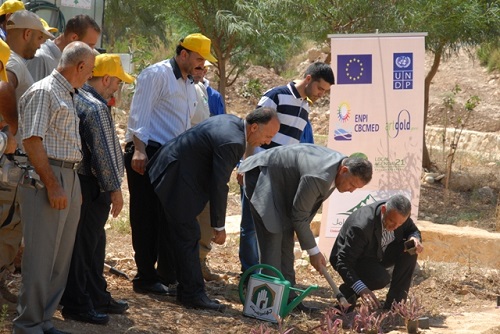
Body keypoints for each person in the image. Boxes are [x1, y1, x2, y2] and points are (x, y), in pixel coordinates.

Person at [147, 107, 280, 312]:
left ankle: (169, 279)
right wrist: (218, 225)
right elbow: (219, 184)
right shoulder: (234, 142)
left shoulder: (232, 122)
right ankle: (192, 294)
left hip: (171, 169)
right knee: (189, 235)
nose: (268, 142)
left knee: (174, 230)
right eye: (268, 135)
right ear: (254, 127)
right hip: (176, 176)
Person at [125, 33, 217, 296]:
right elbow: (138, 115)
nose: (202, 64)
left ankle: (165, 275)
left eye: (204, 60)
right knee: (146, 217)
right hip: (148, 151)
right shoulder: (157, 74)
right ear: (184, 54)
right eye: (199, 58)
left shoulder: (190, 83)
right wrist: (139, 151)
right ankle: (144, 277)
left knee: (169, 217)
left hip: (171, 155)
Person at [13, 41, 95, 334]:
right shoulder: (45, 91)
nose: (90, 77)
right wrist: (54, 184)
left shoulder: (67, 93)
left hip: (67, 177)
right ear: (80, 66)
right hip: (49, 177)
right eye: (90, 70)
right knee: (41, 258)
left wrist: (72, 185)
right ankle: (28, 323)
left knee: (60, 257)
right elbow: (32, 140)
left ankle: (44, 320)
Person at [238, 144, 372, 313]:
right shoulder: (319, 176)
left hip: (283, 185)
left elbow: (299, 216)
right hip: (264, 176)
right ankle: (268, 309)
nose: (351, 191)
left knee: (286, 241)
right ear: (344, 170)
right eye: (352, 184)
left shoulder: (339, 169)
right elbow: (299, 216)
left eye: (356, 188)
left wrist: (309, 245)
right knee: (273, 240)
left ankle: (290, 301)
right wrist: (313, 252)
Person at [238, 62, 335, 275]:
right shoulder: (276, 96)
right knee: (250, 227)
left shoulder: (305, 107)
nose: (321, 94)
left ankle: (271, 277)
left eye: (325, 92)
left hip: (280, 178)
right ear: (308, 79)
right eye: (320, 88)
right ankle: (250, 275)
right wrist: (245, 166)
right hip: (257, 171)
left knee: (274, 227)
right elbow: (252, 129)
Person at [59, 54, 134, 325]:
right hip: (93, 187)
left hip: (82, 184)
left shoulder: (77, 97)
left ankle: (95, 295)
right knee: (84, 247)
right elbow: (102, 154)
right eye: (117, 83)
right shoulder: (95, 107)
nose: (118, 88)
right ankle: (78, 303)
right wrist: (114, 189)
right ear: (106, 79)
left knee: (91, 245)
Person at [0, 9, 53, 309]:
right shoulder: (10, 63)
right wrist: (11, 133)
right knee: (7, 225)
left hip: (13, 157)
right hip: (7, 159)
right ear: (26, 34)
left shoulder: (16, 61)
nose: (40, 44)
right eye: (39, 37)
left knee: (11, 226)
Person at [330, 194, 424, 311]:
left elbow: (412, 230)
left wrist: (414, 238)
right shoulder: (361, 227)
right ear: (384, 210)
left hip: (379, 252)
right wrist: (362, 289)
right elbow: (343, 262)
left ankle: (395, 305)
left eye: (399, 224)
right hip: (357, 258)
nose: (395, 227)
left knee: (411, 249)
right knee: (380, 278)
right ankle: (348, 292)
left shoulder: (398, 215)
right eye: (391, 221)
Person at [190, 62, 226, 281]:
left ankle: (201, 260)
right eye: (197, 67)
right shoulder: (178, 88)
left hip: (207, 160)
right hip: (186, 160)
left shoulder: (211, 95)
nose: (200, 72)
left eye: (203, 69)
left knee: (204, 213)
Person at [27, 14, 101, 82]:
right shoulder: (41, 58)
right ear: (73, 38)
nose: (91, 50)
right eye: (89, 45)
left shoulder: (71, 61)